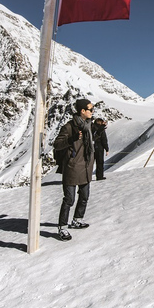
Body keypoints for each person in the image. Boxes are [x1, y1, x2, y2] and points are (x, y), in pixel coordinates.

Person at [53, 99, 96, 241]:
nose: (92, 111)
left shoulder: (89, 126)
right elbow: (57, 144)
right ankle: (62, 227)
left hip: (85, 166)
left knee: (84, 197)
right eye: (90, 109)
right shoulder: (69, 127)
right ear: (82, 111)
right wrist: (70, 139)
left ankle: (77, 219)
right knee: (69, 199)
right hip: (72, 168)